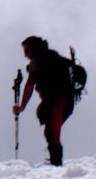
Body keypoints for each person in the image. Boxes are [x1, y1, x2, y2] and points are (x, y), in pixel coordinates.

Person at [13, 35, 74, 166]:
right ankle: (55, 162)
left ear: (34, 49)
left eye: (27, 50)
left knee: (52, 130)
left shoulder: (38, 61)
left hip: (58, 99)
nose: (25, 55)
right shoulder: (52, 56)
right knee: (50, 131)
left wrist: (22, 107)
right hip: (66, 99)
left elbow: (30, 84)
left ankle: (56, 164)